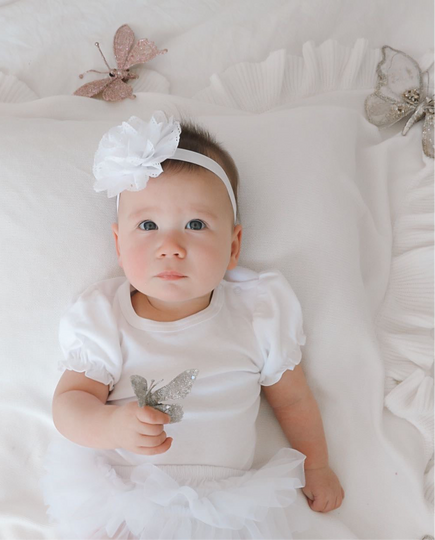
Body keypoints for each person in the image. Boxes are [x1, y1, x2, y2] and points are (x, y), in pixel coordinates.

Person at [41, 110, 344, 540]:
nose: (170, 246)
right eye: (147, 225)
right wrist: (113, 426)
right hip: (127, 500)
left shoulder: (257, 313)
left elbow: (293, 402)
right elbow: (69, 404)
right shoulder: (107, 316)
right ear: (119, 247)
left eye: (196, 225)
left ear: (234, 246)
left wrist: (316, 465)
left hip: (225, 508)